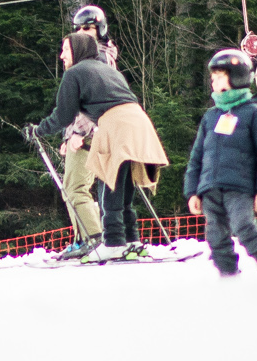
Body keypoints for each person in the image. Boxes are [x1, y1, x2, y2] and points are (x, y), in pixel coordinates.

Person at [33, 32, 169, 262]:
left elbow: (64, 115)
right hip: (139, 122)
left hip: (115, 124)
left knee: (109, 182)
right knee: (125, 185)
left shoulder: (75, 73)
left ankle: (114, 242)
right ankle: (132, 240)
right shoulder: (108, 70)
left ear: (77, 50)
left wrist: (38, 130)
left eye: (65, 50)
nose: (61, 56)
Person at [183, 48, 257, 277]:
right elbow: (196, 157)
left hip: (239, 187)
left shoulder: (255, 113)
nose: (213, 81)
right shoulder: (211, 116)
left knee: (243, 226)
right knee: (215, 235)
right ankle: (228, 275)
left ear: (236, 78)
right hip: (210, 188)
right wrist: (192, 191)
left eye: (219, 76)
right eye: (212, 77)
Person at [71, 3, 120, 69]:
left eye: (86, 28)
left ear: (99, 29)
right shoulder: (86, 55)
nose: (80, 32)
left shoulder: (99, 58)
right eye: (77, 28)